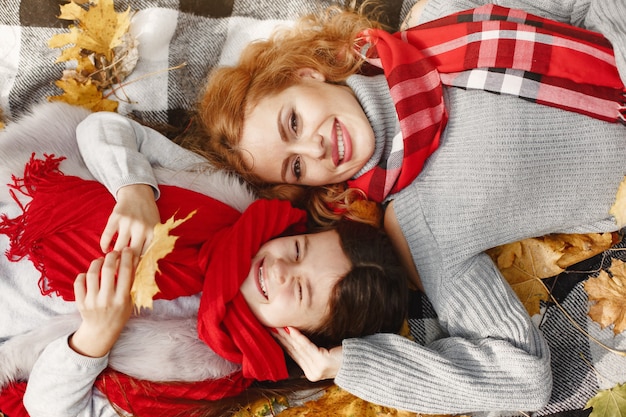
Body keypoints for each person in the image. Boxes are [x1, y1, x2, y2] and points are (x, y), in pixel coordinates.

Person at [71, 0, 626, 414]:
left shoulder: (441, 20)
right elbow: (525, 379)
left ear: (308, 72)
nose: (312, 148)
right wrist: (351, 366)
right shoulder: (419, 225)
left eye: (292, 122)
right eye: (294, 168)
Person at [0, 103, 408, 417]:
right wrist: (135, 189)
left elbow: (51, 409)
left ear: (301, 337)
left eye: (299, 290)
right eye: (298, 251)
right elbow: (100, 127)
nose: (281, 269)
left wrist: (92, 340)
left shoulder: (201, 376)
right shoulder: (223, 202)